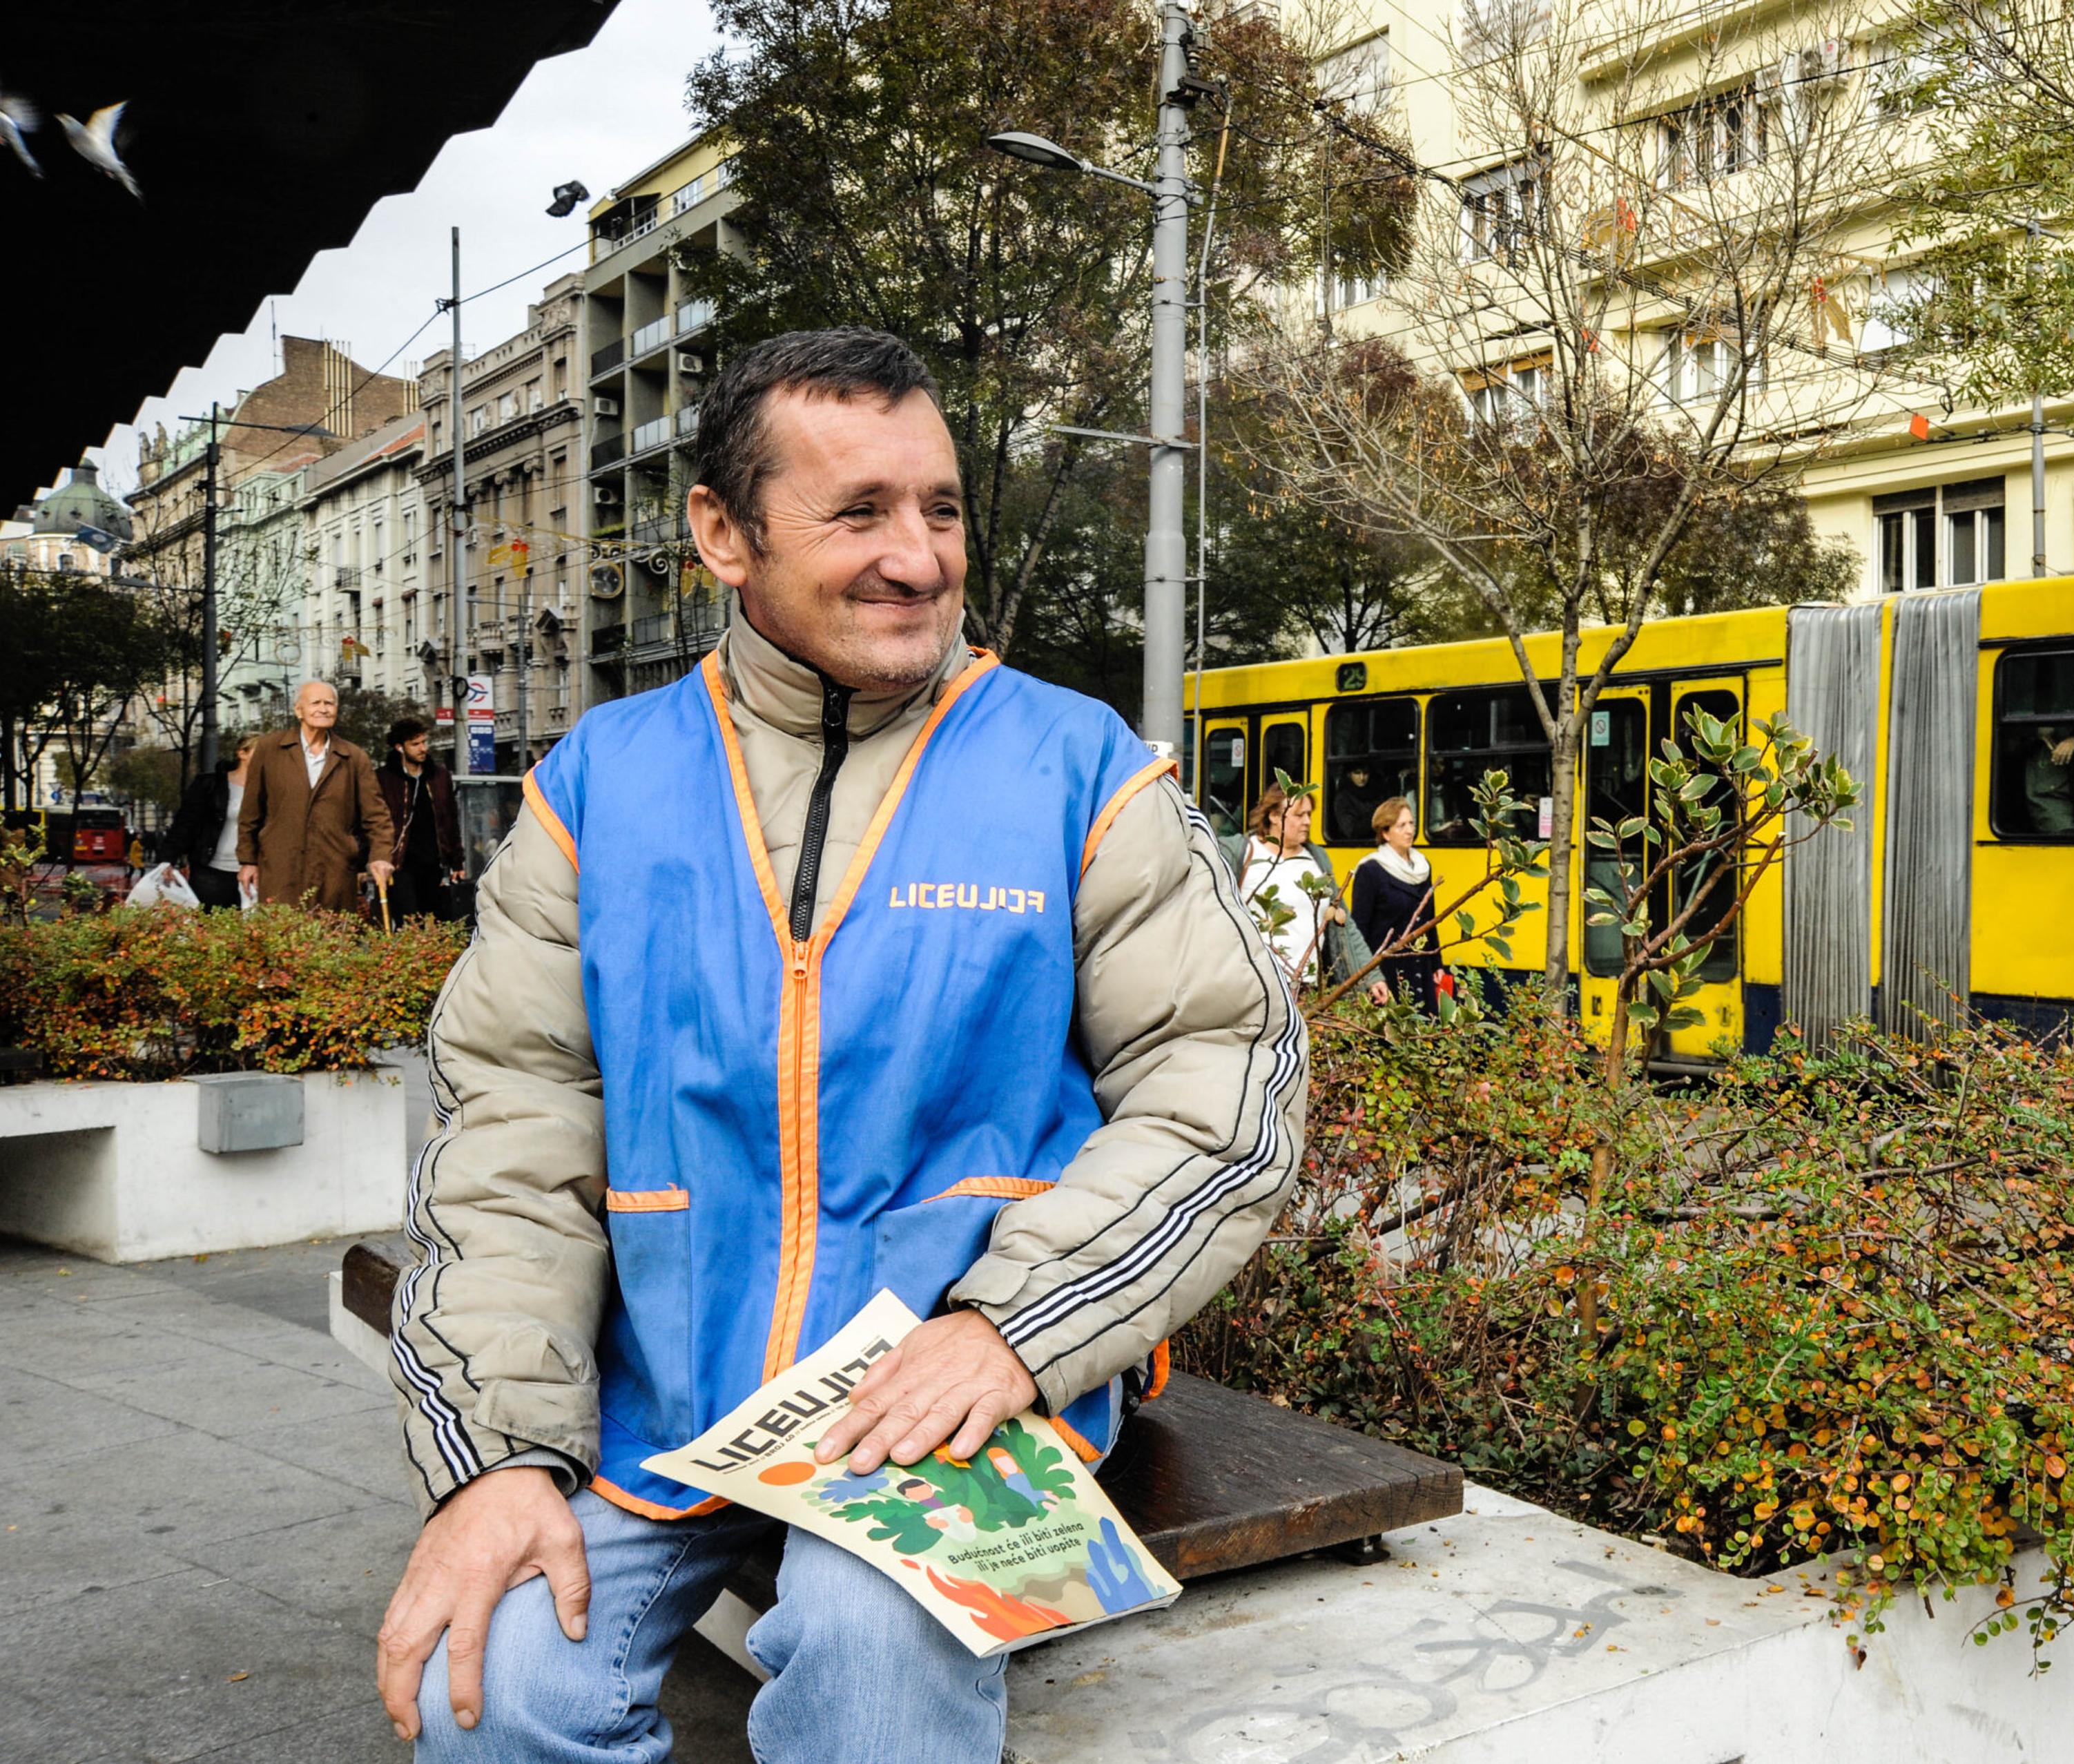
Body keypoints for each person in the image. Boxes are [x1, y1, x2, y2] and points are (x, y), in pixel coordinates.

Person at [376, 327, 1303, 1764]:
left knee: (873, 1660)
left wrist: (1013, 1328)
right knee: (482, 1682)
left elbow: (1227, 1084)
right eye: (859, 511)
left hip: (970, 1401)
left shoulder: (1081, 767)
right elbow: (509, 1128)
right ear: (723, 533)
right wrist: (496, 1459)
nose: (919, 556)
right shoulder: (598, 785)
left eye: (938, 508)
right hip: (664, 1411)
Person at [238, 681, 394, 911]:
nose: (323, 709)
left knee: (331, 939)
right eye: (316, 703)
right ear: (298, 710)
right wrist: (248, 861)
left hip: (335, 869)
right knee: (281, 938)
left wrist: (381, 856)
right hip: (281, 868)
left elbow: (377, 815)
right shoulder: (269, 749)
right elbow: (251, 811)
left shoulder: (353, 757)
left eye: (329, 703)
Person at [1221, 783, 1371, 988]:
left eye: (1309, 815)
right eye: (1299, 815)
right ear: (1274, 816)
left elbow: (1344, 924)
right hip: (1256, 986)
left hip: (1307, 987)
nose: (1307, 822)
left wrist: (1371, 977)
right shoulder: (1243, 854)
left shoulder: (1317, 859)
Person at [1348, 797, 1437, 1013]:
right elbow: (1359, 929)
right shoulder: (1371, 870)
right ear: (1385, 833)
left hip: (1420, 968)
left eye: (1411, 824)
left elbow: (1430, 921)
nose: (1410, 831)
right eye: (1401, 826)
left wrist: (1437, 964)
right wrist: (1369, 977)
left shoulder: (1422, 866)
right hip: (1386, 972)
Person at [377, 715, 466, 922]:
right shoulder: (384, 779)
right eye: (415, 744)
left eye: (424, 742)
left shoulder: (440, 777)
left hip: (434, 862)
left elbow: (451, 821)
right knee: (407, 922)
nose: (422, 748)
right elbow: (374, 822)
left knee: (437, 922)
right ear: (400, 747)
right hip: (400, 864)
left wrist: (457, 862)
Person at [164, 735, 260, 909]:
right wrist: (167, 860)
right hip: (211, 872)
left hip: (255, 873)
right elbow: (185, 824)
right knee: (209, 929)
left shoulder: (271, 788)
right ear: (242, 753)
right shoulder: (210, 784)